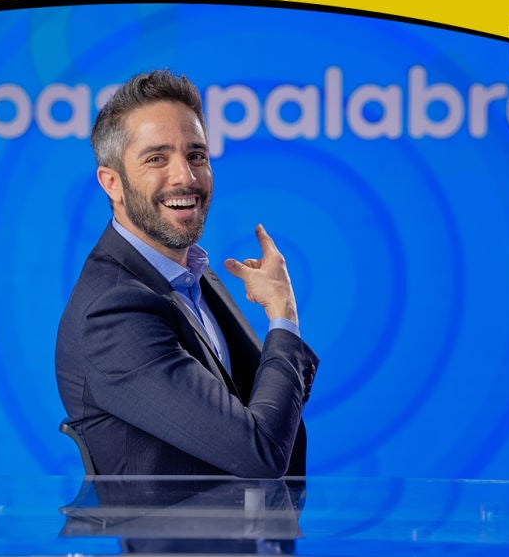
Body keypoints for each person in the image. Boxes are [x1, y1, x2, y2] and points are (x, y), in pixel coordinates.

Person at [54, 69, 319, 477]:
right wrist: (283, 315)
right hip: (189, 523)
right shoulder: (112, 313)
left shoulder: (192, 275)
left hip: (255, 519)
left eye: (196, 155)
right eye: (156, 159)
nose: (186, 176)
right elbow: (260, 452)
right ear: (112, 184)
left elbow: (273, 422)